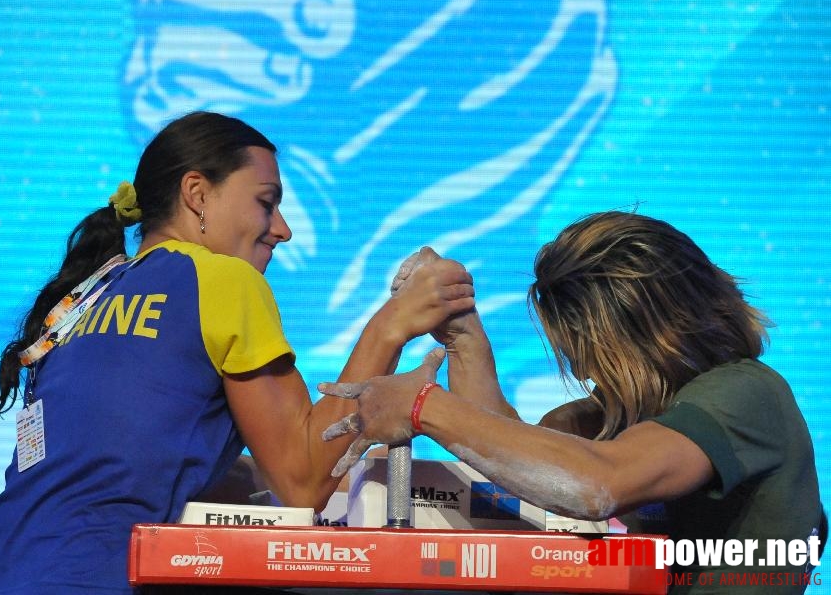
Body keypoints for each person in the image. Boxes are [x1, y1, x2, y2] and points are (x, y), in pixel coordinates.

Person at [0, 111, 476, 595]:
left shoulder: (85, 299)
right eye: (266, 202)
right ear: (197, 195)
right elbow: (301, 481)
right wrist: (392, 325)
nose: (283, 228)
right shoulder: (222, 280)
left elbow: (127, 458)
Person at [321, 211, 824, 593]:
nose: (584, 373)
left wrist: (424, 407)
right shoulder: (629, 412)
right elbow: (519, 461)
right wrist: (462, 333)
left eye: (597, 355)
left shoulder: (747, 394)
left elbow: (597, 484)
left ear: (658, 330)